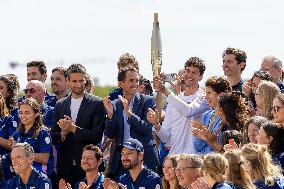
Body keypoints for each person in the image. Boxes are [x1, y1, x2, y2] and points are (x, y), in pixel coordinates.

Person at [51, 63, 105, 187]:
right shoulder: (60, 105)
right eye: (74, 81)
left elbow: (96, 136)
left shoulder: (96, 103)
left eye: (81, 80)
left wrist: (73, 128)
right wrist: (63, 133)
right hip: (65, 167)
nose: (78, 84)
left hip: (89, 168)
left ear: (86, 80)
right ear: (68, 81)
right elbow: (53, 137)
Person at [103, 67, 159, 179]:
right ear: (121, 83)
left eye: (137, 80)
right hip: (122, 162)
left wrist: (129, 113)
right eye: (131, 80)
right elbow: (110, 134)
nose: (135, 84)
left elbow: (147, 130)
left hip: (144, 160)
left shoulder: (147, 101)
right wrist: (110, 116)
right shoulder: (114, 104)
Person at [148, 57, 209, 154]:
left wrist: (164, 90)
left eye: (194, 72)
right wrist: (156, 124)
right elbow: (165, 137)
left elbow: (188, 111)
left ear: (201, 76)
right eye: (187, 71)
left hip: (193, 159)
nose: (189, 75)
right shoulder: (174, 100)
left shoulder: (204, 97)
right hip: (174, 157)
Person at [11, 97, 54, 178]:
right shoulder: (17, 134)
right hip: (21, 176)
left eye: (27, 113)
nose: (23, 116)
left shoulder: (43, 133)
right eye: (21, 112)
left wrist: (22, 150)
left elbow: (45, 158)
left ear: (36, 113)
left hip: (39, 177)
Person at [189, 76, 231, 154]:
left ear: (220, 95)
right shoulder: (206, 115)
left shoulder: (227, 117)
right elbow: (198, 146)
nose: (206, 96)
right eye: (205, 93)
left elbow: (222, 144)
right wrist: (199, 134)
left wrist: (209, 138)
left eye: (209, 93)